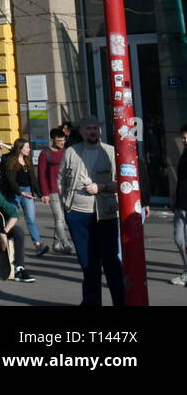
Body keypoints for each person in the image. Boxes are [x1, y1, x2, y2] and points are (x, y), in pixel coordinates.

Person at [58, 115, 122, 305]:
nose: (92, 131)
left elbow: (122, 183)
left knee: (111, 261)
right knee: (87, 263)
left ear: (100, 131)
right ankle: (91, 302)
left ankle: (121, 301)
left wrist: (101, 187)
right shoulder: (71, 151)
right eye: (89, 128)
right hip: (77, 213)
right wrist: (66, 204)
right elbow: (61, 179)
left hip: (106, 213)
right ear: (82, 131)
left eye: (96, 128)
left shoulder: (110, 152)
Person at [0, 137, 48, 256]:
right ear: (20, 149)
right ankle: (6, 244)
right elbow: (11, 181)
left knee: (31, 219)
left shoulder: (26, 161)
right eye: (27, 147)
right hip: (14, 193)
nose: (29, 149)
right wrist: (20, 192)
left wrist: (40, 194)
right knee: (12, 218)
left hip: (27, 192)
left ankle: (38, 245)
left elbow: (33, 179)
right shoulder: (10, 161)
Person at [37, 126, 74, 254]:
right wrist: (45, 193)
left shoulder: (66, 152)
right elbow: (41, 175)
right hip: (52, 191)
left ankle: (56, 244)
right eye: (59, 140)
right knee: (59, 218)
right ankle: (66, 243)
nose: (62, 143)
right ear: (53, 140)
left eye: (64, 140)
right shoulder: (45, 154)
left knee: (64, 218)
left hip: (66, 190)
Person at [171, 123, 187, 287]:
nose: (185, 140)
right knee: (179, 239)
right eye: (183, 137)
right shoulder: (184, 153)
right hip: (181, 204)